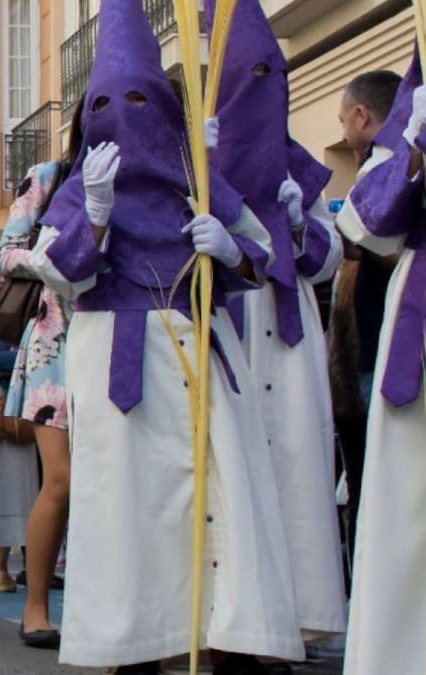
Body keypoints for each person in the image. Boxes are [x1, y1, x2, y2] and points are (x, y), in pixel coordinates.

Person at [31, 1, 303, 671]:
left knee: (222, 496)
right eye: (104, 103)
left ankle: (230, 638)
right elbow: (57, 272)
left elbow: (262, 252)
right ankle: (135, 646)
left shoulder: (201, 181)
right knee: (129, 506)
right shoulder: (78, 189)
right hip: (117, 362)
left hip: (201, 352)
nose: (122, 115)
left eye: (139, 100)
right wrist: (94, 218)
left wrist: (230, 251)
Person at [208, 0, 346, 641]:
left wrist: (296, 226)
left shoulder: (301, 169)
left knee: (293, 464)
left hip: (286, 335)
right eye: (251, 76)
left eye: (273, 76)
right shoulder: (202, 156)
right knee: (231, 471)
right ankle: (229, 621)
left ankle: (294, 619)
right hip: (229, 324)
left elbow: (328, 260)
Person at [336, 50, 426, 675]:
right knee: (407, 504)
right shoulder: (406, 130)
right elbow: (367, 225)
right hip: (413, 334)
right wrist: (412, 153)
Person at [0, 93, 84, 652]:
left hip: (120, 334)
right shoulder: (49, 177)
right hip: (55, 343)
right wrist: (46, 259)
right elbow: (5, 253)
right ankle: (35, 607)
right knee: (62, 478)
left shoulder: (151, 178)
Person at [332, 67, 402, 561]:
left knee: (377, 482)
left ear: (361, 116)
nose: (342, 132)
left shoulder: (387, 173)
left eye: (342, 120)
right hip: (365, 353)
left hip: (382, 350)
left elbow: (384, 245)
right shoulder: (376, 170)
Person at [0, 269, 39, 594]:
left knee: (15, 486)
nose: (0, 281)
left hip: (16, 403)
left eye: (6, 277)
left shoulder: (26, 311)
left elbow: (24, 358)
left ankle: (4, 565)